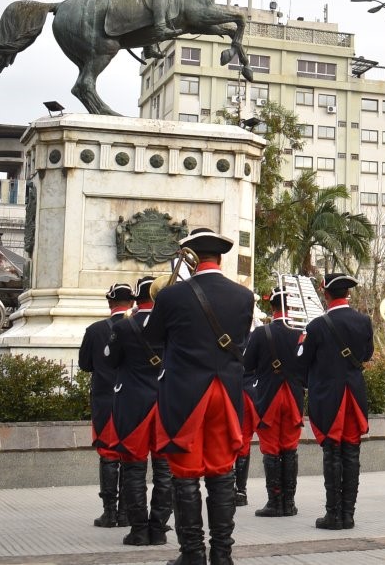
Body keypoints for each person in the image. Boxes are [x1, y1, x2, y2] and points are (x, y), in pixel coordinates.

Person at [143, 228, 256, 565]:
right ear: (219, 257)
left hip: (186, 395)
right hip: (225, 393)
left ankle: (192, 554)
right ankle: (222, 555)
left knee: (185, 473)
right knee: (222, 472)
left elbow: (152, 338)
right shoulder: (243, 296)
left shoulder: (171, 296)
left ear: (190, 257)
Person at [301, 272, 374, 531]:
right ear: (347, 294)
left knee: (332, 453)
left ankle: (333, 515)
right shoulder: (363, 321)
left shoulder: (316, 326)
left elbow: (303, 363)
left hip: (328, 395)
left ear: (326, 293)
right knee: (351, 454)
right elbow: (366, 355)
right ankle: (348, 515)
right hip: (353, 394)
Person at [107, 275, 174, 547]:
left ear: (137, 298)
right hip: (165, 403)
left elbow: (111, 361)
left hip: (133, 403)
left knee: (133, 470)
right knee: (164, 470)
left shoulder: (124, 327)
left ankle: (138, 530)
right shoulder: (171, 326)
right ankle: (158, 529)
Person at [242, 285, 309, 518]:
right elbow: (306, 367)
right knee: (290, 449)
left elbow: (246, 366)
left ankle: (274, 501)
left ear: (271, 307)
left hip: (269, 396)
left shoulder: (261, 334)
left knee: (271, 449)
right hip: (293, 397)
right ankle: (289, 503)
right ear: (290, 307)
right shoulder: (301, 333)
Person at [79, 282, 135, 529]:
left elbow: (84, 365)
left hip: (104, 398)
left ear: (110, 302)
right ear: (131, 303)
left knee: (108, 456)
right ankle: (125, 513)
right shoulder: (140, 329)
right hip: (133, 401)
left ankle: (109, 512)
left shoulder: (94, 330)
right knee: (129, 455)